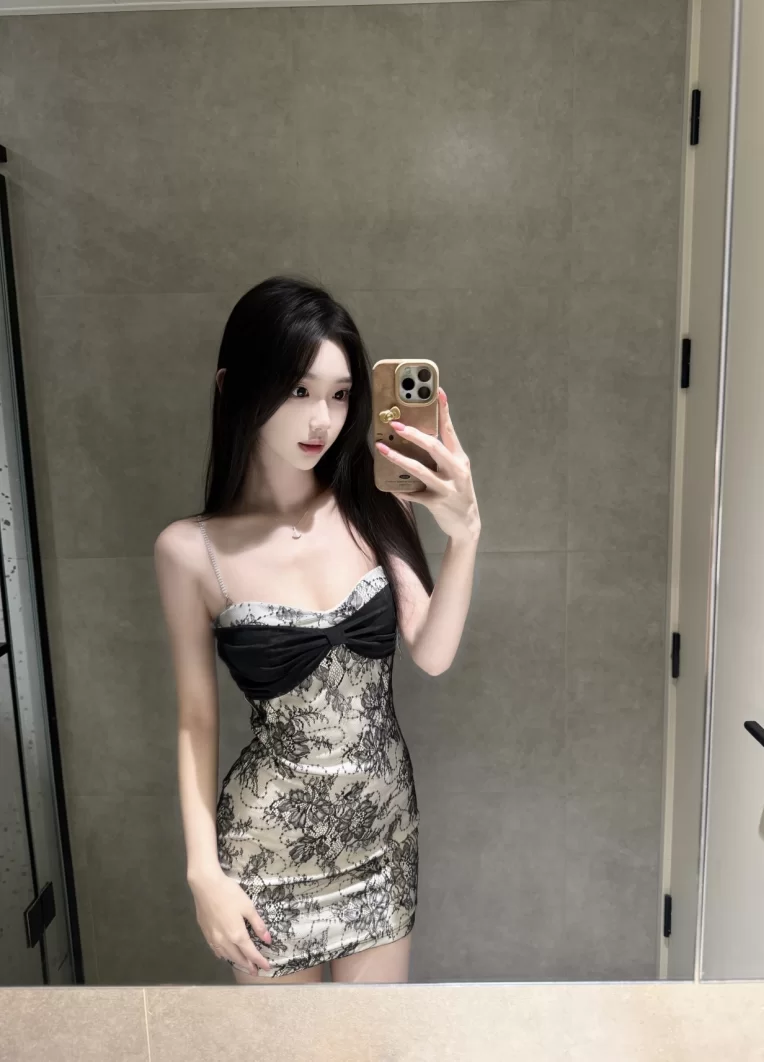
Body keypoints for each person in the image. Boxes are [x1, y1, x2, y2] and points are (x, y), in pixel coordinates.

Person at [154, 275, 479, 985]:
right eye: (298, 390)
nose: (321, 420)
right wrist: (203, 872)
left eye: (339, 395)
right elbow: (194, 719)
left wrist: (465, 534)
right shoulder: (190, 551)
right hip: (266, 855)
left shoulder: (374, 501)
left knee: (372, 1041)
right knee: (286, 1045)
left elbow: (432, 653)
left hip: (384, 839)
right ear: (234, 388)